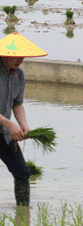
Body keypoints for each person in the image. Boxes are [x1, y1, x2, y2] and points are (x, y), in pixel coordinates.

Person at [0, 32, 47, 206]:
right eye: (17, 56)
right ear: (6, 54)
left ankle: (23, 215)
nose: (20, 60)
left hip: (4, 134)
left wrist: (24, 126)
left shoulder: (19, 75)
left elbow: (17, 104)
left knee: (22, 173)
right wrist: (9, 123)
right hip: (6, 127)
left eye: (23, 56)